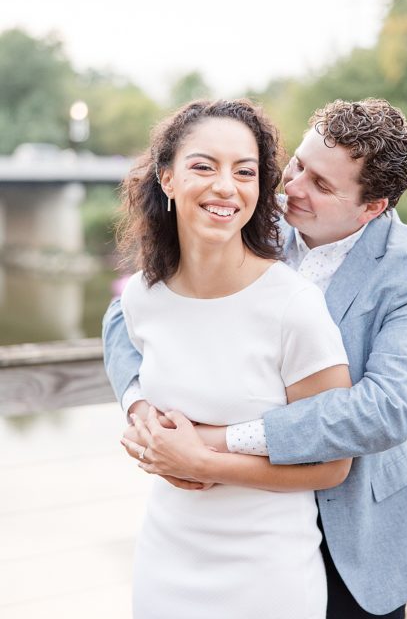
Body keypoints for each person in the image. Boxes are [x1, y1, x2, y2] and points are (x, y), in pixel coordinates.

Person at [104, 98, 407, 619]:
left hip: (357, 529)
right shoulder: (249, 216)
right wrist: (141, 411)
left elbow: (387, 410)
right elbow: (126, 316)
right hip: (230, 525)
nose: (291, 188)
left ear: (371, 207)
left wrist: (213, 443)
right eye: (298, 166)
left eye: (321, 185)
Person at [110, 99, 353, 619]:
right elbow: (140, 389)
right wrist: (140, 423)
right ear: (167, 178)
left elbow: (334, 463)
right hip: (165, 561)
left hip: (267, 577)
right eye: (204, 166)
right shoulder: (141, 298)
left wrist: (204, 462)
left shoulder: (294, 306)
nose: (226, 186)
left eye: (245, 172)